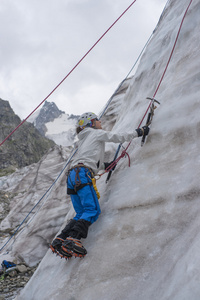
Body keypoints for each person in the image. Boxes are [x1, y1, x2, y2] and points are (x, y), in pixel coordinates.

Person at [50, 112, 149, 258]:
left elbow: (89, 158)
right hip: (83, 174)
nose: (99, 121)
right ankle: (73, 239)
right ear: (90, 123)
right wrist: (138, 132)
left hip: (73, 176)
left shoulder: (83, 140)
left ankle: (59, 241)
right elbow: (117, 137)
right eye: (96, 120)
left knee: (81, 213)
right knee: (93, 209)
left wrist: (104, 165)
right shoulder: (95, 133)